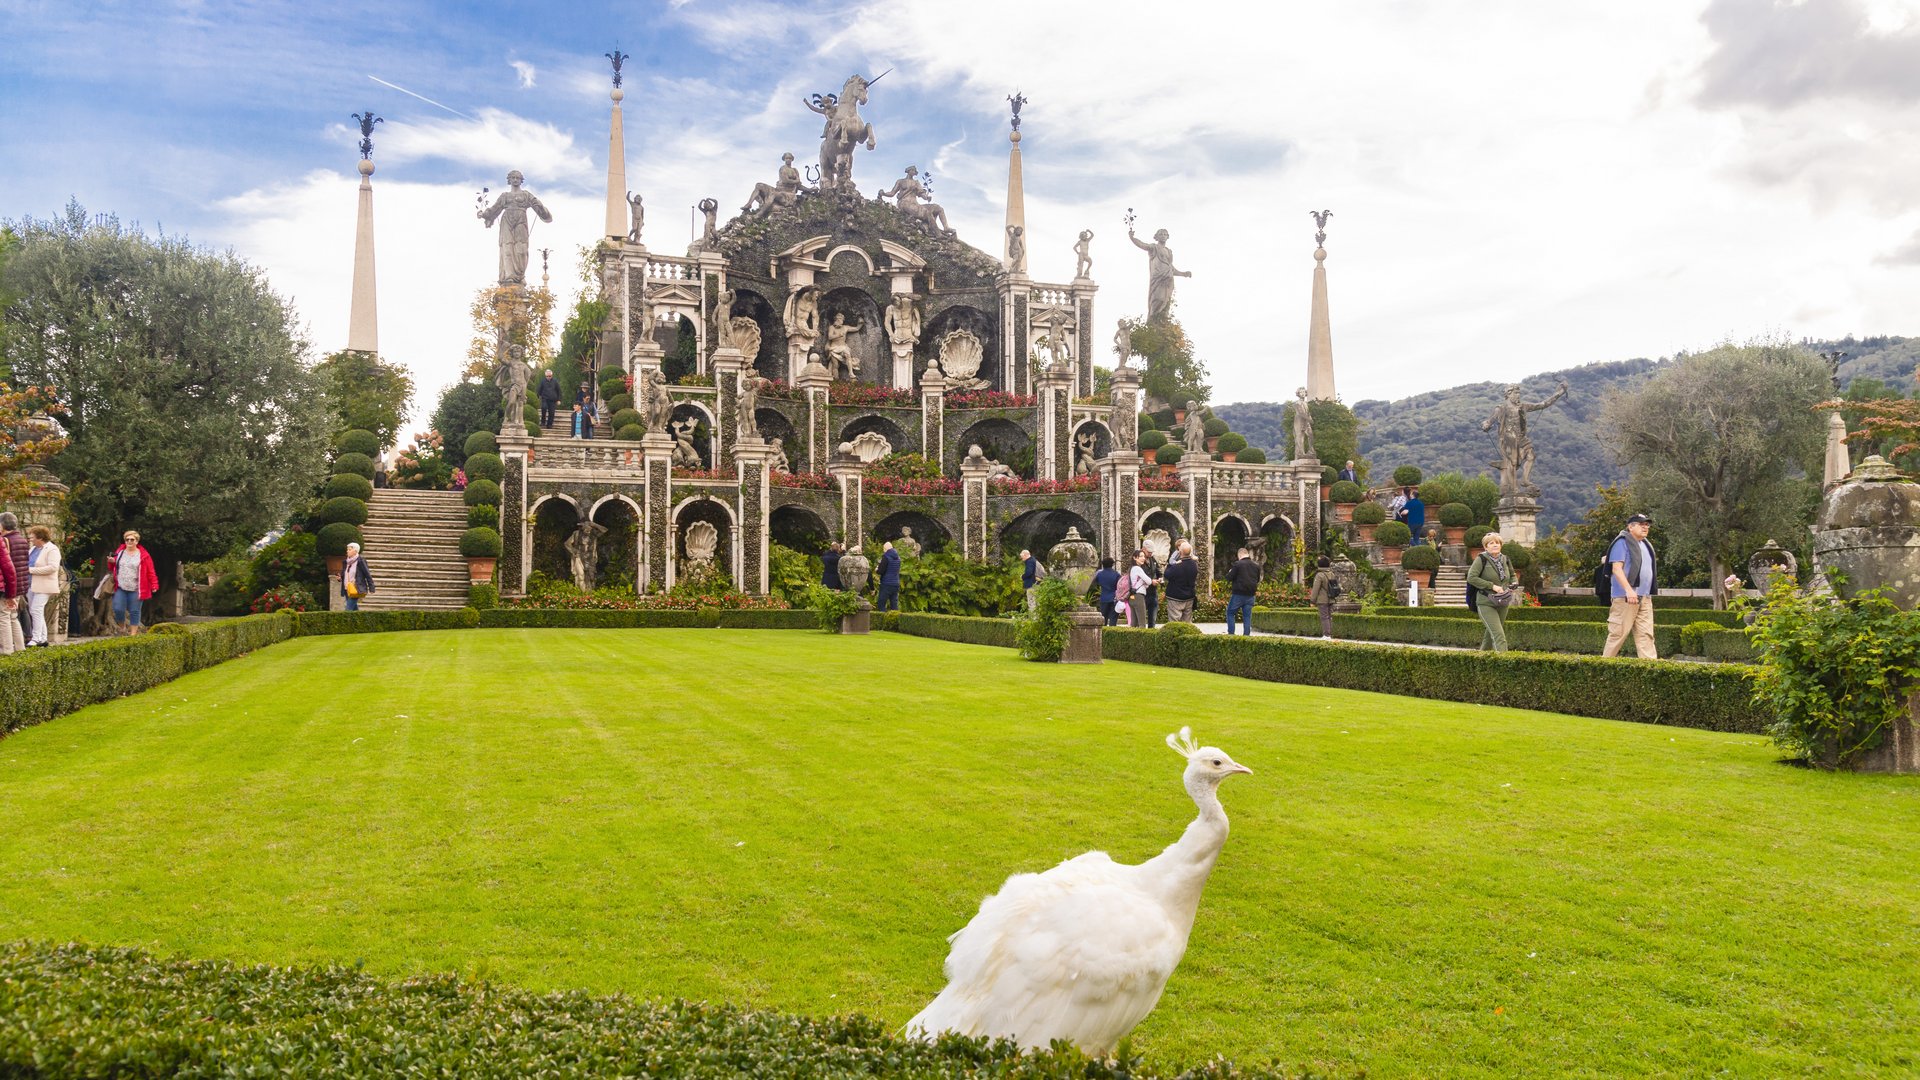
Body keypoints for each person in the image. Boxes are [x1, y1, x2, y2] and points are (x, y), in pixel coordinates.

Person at [1603, 513, 1659, 658]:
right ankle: (1603, 665)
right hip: (1625, 597)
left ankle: (1650, 668)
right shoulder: (1621, 543)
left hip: (1645, 596)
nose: (1645, 527)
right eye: (1641, 524)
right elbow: (1616, 569)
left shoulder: (1645, 544)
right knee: (1618, 634)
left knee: (1646, 635)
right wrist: (1629, 590)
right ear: (1630, 527)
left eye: (1647, 524)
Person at [1466, 532, 1519, 652]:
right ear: (1486, 547)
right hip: (1486, 602)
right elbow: (1471, 578)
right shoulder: (1481, 559)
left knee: (1490, 635)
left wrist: (1514, 582)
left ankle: (1481, 657)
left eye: (1497, 543)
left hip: (1503, 601)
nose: (1495, 545)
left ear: (1501, 545)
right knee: (1498, 635)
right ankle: (1504, 661)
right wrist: (1492, 586)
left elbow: (1512, 574)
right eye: (1491, 543)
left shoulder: (1505, 559)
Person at [108, 529, 158, 636]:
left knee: (135, 611)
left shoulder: (143, 555)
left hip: (136, 588)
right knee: (118, 608)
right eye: (127, 539)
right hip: (120, 587)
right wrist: (111, 562)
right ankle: (122, 628)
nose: (129, 541)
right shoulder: (120, 552)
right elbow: (112, 568)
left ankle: (133, 634)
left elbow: (151, 571)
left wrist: (154, 584)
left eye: (132, 539)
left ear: (137, 541)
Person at [25, 526, 60, 647]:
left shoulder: (52, 549)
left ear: (40, 537)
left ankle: (36, 638)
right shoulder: (33, 549)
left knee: (36, 610)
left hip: (45, 586)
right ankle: (43, 638)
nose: (30, 539)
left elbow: (53, 567)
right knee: (36, 611)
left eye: (32, 537)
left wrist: (31, 570)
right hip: (31, 584)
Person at [0, 514, 27, 648]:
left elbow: (8, 567)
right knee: (13, 616)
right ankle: (20, 648)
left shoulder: (5, 540)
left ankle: (7, 649)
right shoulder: (22, 540)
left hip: (8, 584)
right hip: (19, 584)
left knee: (4, 616)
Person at [1225, 546, 1260, 636]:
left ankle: (1231, 635)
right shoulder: (1256, 566)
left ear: (1239, 555)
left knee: (1230, 613)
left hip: (1238, 594)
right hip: (1251, 595)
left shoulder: (1238, 564)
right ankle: (1246, 636)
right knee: (1247, 616)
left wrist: (1230, 571)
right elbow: (1257, 580)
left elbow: (1229, 578)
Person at [1161, 540, 1198, 623]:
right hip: (1189, 597)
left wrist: (1171, 564)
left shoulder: (1176, 566)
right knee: (1187, 623)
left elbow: (1166, 575)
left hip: (1175, 597)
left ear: (1180, 552)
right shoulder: (1194, 565)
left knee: (1174, 622)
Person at [338, 541, 376, 611]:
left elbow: (367, 574)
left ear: (355, 551)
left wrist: (371, 588)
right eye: (347, 549)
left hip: (356, 588)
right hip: (347, 588)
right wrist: (340, 578)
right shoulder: (346, 562)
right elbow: (345, 574)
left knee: (348, 610)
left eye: (349, 549)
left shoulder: (360, 561)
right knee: (354, 610)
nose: (347, 551)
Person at [1309, 555, 1338, 639]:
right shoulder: (1332, 574)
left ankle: (1326, 635)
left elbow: (1315, 589)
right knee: (1329, 617)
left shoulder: (1319, 575)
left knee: (1324, 617)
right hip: (1331, 598)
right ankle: (1329, 634)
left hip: (1322, 600)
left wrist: (1312, 601)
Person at [1126, 552, 1153, 629]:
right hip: (1138, 596)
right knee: (1142, 623)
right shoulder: (1138, 568)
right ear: (1135, 558)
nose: (1143, 558)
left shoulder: (1131, 568)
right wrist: (1144, 581)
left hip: (1132, 596)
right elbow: (1149, 581)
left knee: (1134, 624)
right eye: (1141, 556)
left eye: (1144, 556)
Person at [1092, 557, 1122, 626]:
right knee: (1113, 618)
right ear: (1112, 564)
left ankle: (1103, 631)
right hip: (1114, 598)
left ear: (1103, 564)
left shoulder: (1099, 574)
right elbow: (1120, 586)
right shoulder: (1116, 574)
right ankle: (1112, 631)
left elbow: (1094, 583)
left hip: (1104, 598)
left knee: (1103, 618)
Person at [1138, 547, 1161, 629]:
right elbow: (1139, 577)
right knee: (1141, 619)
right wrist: (1151, 581)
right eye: (1149, 552)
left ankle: (1151, 630)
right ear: (1143, 549)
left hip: (1153, 592)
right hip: (1142, 592)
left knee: (1153, 617)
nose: (1150, 553)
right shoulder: (1138, 561)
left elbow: (1158, 571)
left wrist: (1160, 577)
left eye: (1152, 552)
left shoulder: (1152, 559)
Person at [876, 541, 901, 612]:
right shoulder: (898, 557)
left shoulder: (886, 557)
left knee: (881, 604)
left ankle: (882, 618)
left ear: (885, 549)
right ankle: (895, 618)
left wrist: (877, 569)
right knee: (894, 605)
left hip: (886, 583)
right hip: (896, 583)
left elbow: (881, 571)